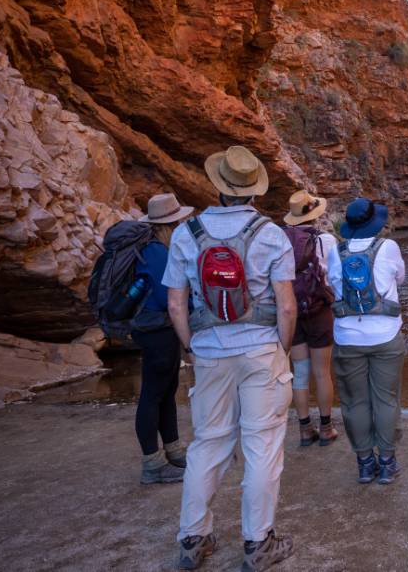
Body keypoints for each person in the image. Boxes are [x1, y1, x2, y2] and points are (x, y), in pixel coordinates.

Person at [163, 145, 298, 572]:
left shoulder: (186, 233)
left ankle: (193, 538)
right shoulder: (272, 234)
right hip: (260, 350)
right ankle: (258, 545)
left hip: (209, 352)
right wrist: (282, 347)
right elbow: (287, 306)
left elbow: (175, 304)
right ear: (253, 190)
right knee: (261, 446)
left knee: (207, 444)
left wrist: (191, 345)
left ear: (218, 187)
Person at [328, 197, 407, 485]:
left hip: (348, 338)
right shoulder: (388, 247)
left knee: (354, 402)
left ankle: (364, 463)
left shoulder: (335, 252)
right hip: (386, 334)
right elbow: (400, 279)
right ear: (375, 222)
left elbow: (332, 286)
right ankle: (386, 463)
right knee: (385, 400)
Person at [133, 193, 194, 485]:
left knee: (166, 390)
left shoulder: (150, 248)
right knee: (153, 394)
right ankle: (152, 464)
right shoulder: (157, 253)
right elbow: (168, 296)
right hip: (157, 329)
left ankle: (173, 450)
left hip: (152, 328)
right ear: (171, 223)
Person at [281, 190, 340, 447]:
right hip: (319, 311)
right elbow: (335, 278)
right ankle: (326, 428)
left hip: (292, 311)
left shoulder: (280, 239)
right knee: (322, 372)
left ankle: (305, 429)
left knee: (300, 372)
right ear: (314, 215)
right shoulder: (325, 240)